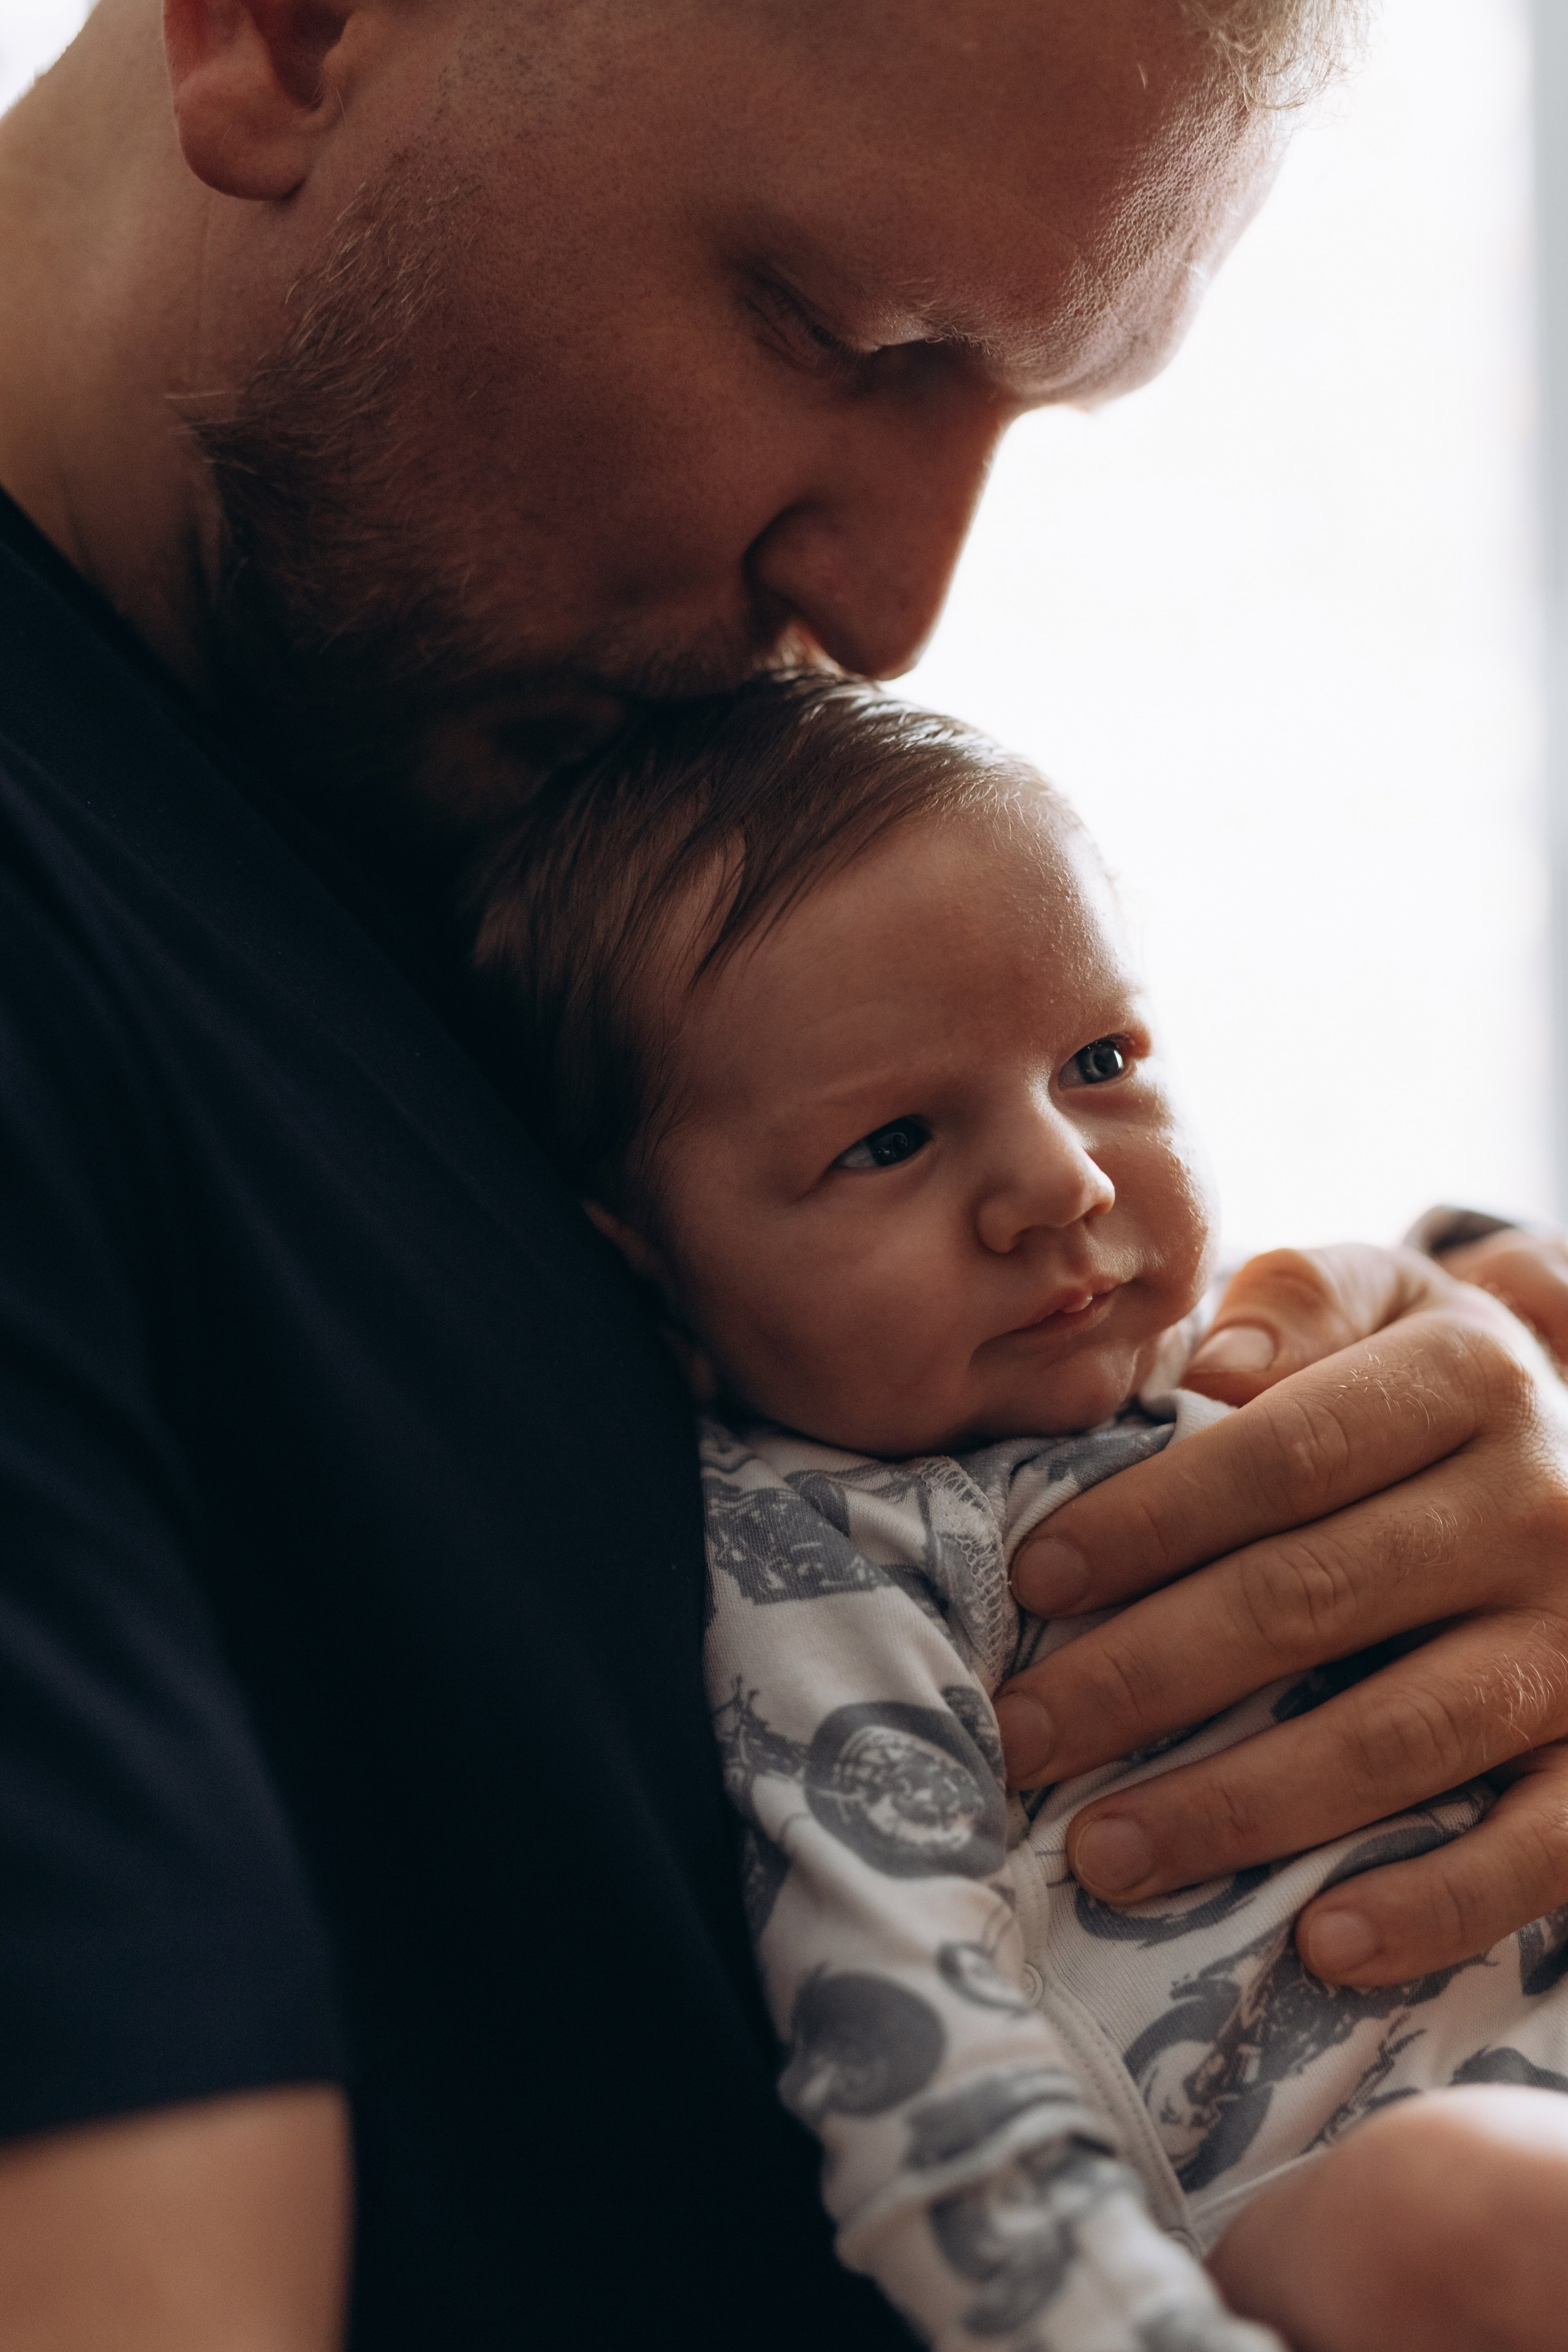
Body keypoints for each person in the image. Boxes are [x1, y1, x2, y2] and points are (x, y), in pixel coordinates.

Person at [2, 1, 1568, 2346]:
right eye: (836, 329)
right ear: (300, 28)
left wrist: (1435, 1438)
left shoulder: (489, 796)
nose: (902, 605)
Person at [477, 674, 1568, 2352]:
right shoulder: (821, 1555)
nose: (1063, 1178)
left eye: (1102, 1058)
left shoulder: (1282, 1361)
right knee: (1482, 2209)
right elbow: (913, 2045)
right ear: (655, 1270)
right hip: (1331, 2211)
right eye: (892, 1139)